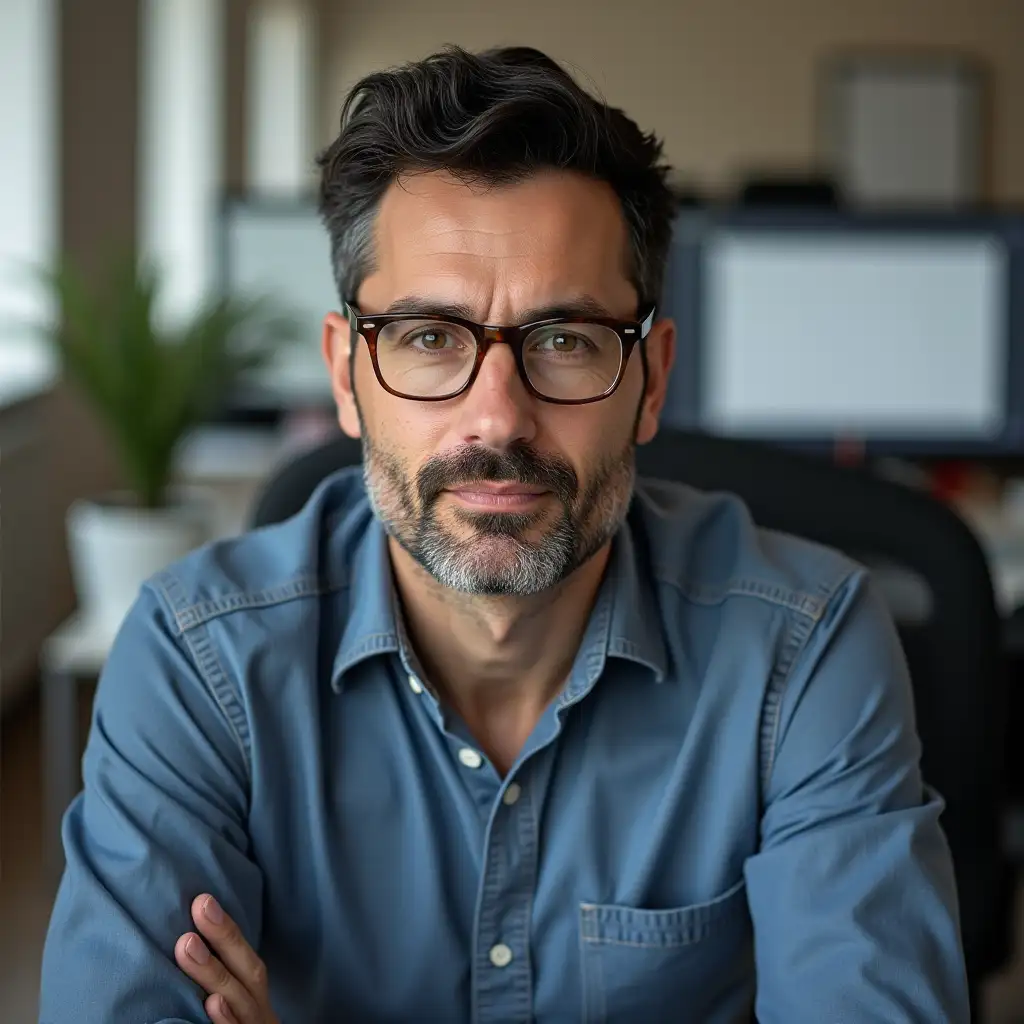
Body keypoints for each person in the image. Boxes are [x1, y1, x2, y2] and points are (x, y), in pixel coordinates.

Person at [39, 45, 969, 1024]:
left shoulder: (803, 648)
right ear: (345, 372)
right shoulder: (197, 662)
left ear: (650, 379)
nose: (497, 419)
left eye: (563, 341)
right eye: (430, 338)